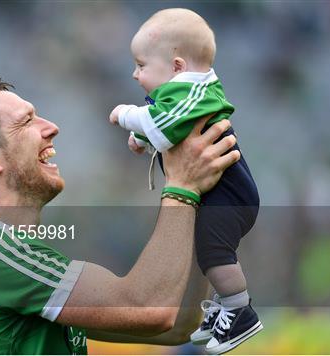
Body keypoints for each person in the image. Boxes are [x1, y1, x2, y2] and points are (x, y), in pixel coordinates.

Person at [0, 77, 239, 354]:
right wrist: (182, 185)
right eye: (26, 121)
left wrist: (200, 198)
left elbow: (175, 324)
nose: (52, 127)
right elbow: (147, 309)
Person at [109, 8, 262, 354]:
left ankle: (239, 309)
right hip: (218, 197)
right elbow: (171, 130)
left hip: (229, 197)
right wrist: (143, 139)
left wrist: (126, 115)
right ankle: (222, 309)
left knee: (213, 253)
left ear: (177, 67)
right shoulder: (182, 96)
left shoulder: (194, 93)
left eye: (141, 65)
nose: (134, 74)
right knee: (201, 249)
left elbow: (164, 125)